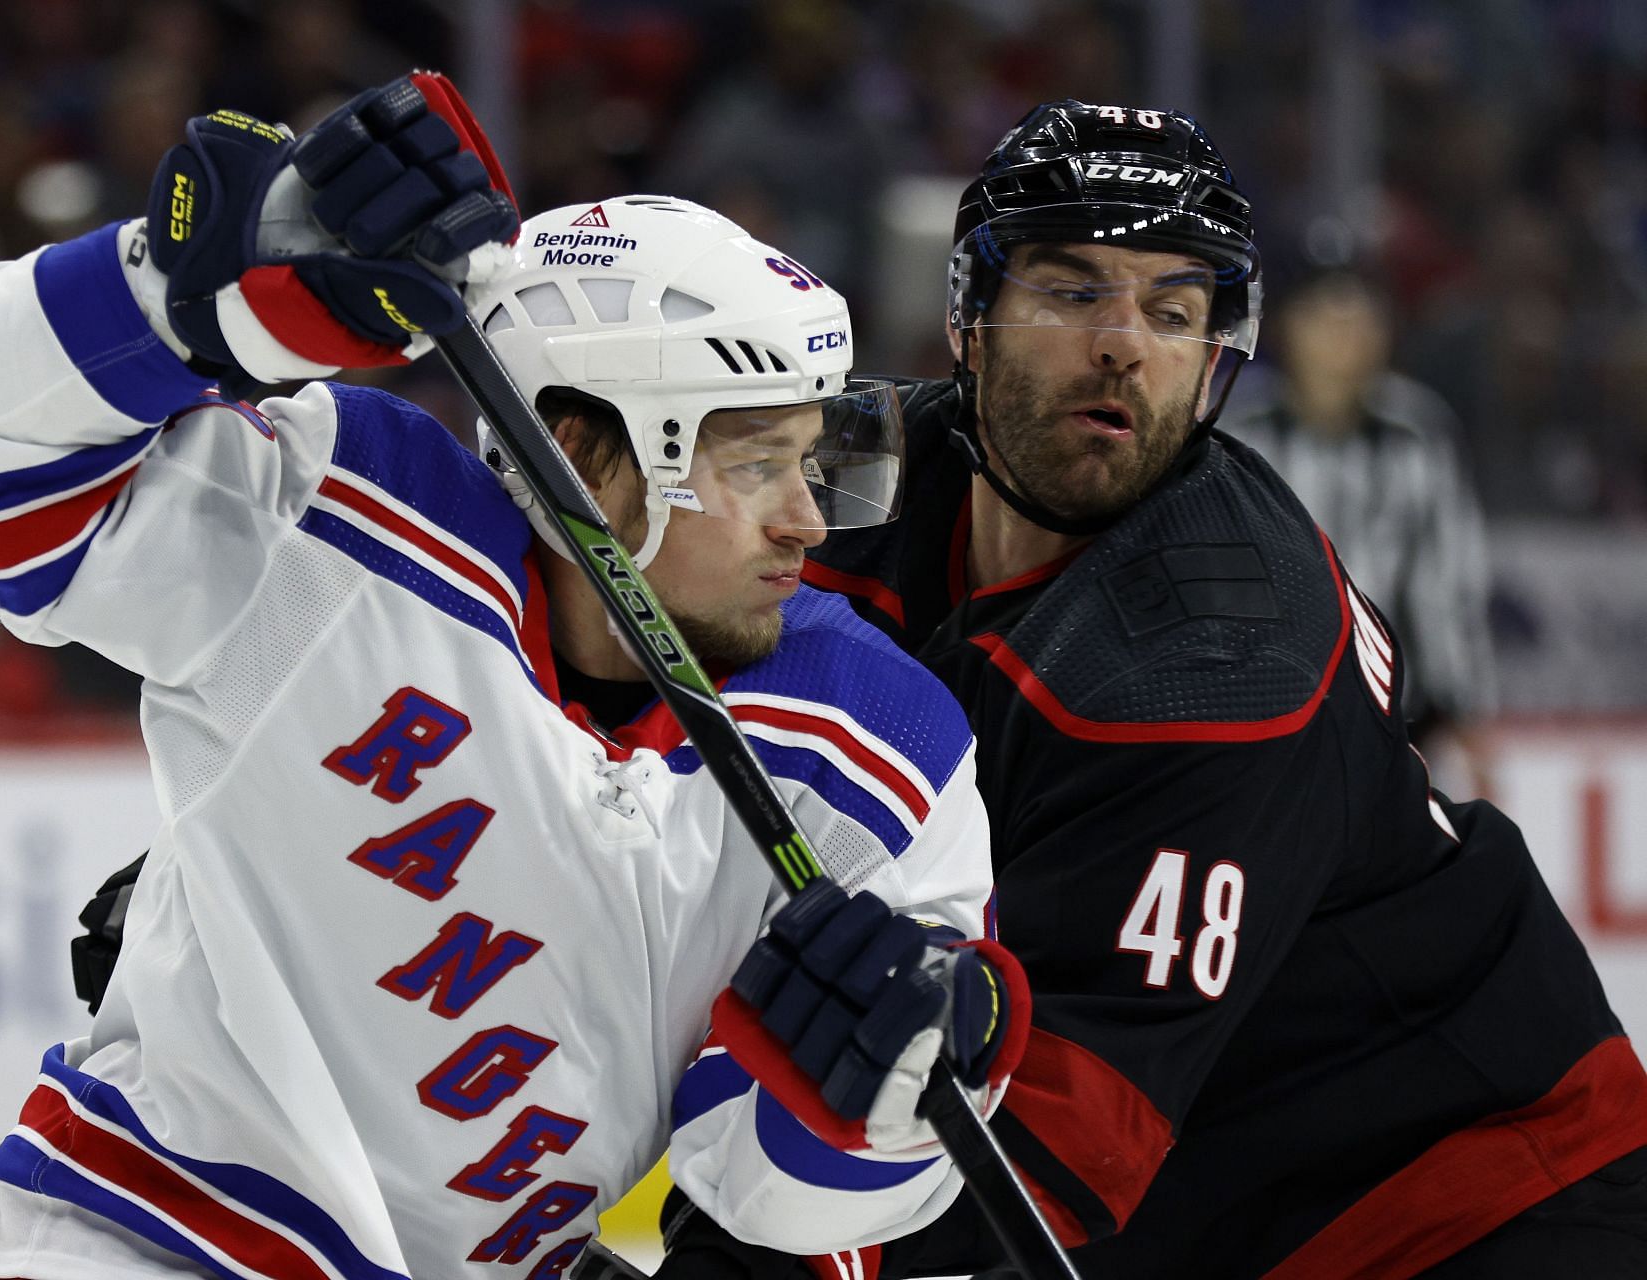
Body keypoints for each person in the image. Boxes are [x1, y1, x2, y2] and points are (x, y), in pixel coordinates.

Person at [0, 77, 1026, 1280]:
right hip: (140, 1239)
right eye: (753, 459)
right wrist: (193, 305)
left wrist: (876, 1099)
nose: (805, 521)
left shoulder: (881, 751)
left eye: (812, 456)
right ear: (577, 451)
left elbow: (767, 1188)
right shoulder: (339, 520)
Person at [659, 100, 1647, 1279]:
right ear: (967, 320)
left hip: (1470, 1198)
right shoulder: (864, 482)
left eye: (1174, 309)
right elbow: (591, 579)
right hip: (1223, 1197)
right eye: (1072, 290)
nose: (1125, 341)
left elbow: (1044, 1160)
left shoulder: (1214, 659)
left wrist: (706, 1252)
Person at [1228, 267, 1497, 782]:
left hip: (1396, 720)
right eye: (1328, 322)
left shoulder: (1417, 434)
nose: (1346, 340)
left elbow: (1449, 584)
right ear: (1289, 329)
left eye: (1362, 322)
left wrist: (1468, 713)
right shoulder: (1241, 437)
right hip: (1266, 716)